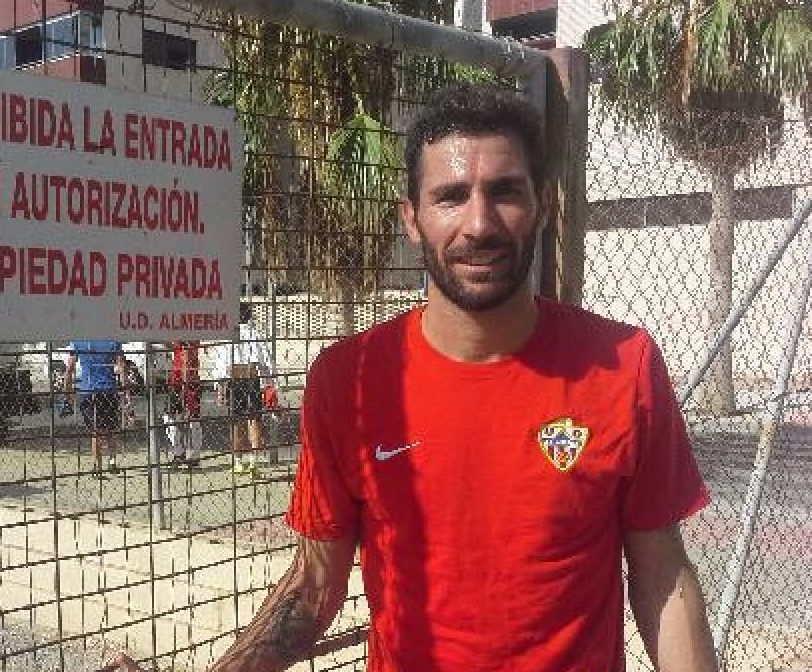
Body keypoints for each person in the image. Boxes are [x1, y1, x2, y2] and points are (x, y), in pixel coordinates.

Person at [101, 85, 716, 671]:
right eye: (451, 196)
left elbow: (663, 573)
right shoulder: (351, 383)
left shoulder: (623, 364)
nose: (479, 223)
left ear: (542, 204)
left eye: (504, 191)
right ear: (412, 219)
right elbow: (314, 588)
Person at [213, 303, 274, 476]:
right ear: (249, 315)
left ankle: (238, 461)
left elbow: (221, 362)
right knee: (255, 420)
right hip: (252, 379)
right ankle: (254, 461)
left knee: (236, 421)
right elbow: (265, 360)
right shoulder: (254, 333)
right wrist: (270, 383)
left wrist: (220, 386)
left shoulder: (227, 334)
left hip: (234, 379)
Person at [64, 339, 127, 479]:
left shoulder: (79, 341)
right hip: (109, 390)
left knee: (96, 430)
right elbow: (122, 367)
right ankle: (112, 461)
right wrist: (126, 392)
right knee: (111, 426)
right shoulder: (113, 341)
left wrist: (66, 393)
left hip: (88, 390)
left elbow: (69, 369)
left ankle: (96, 467)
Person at [163, 340, 204, 469]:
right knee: (187, 418)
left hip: (184, 383)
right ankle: (191, 454)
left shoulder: (186, 337)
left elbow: (185, 358)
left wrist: (183, 387)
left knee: (187, 418)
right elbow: (172, 345)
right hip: (183, 382)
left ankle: (181, 453)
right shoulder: (185, 337)